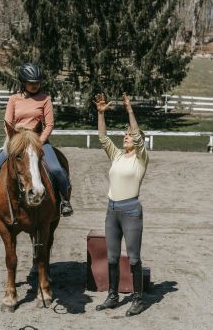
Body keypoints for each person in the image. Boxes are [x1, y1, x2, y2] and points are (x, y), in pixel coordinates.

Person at [0, 62, 73, 217]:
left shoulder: (45, 99)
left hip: (38, 140)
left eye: (37, 83)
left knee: (57, 169)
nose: (35, 85)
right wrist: (14, 140)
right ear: (23, 82)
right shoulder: (14, 99)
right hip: (17, 141)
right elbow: (7, 123)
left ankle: (65, 201)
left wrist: (38, 142)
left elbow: (49, 125)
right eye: (31, 83)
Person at [94, 92, 149, 316]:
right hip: (112, 210)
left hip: (131, 211)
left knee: (134, 257)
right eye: (125, 134)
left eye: (129, 135)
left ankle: (138, 299)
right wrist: (100, 114)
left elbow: (137, 135)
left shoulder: (141, 158)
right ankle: (113, 296)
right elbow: (102, 138)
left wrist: (129, 110)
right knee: (113, 256)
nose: (126, 137)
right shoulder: (116, 155)